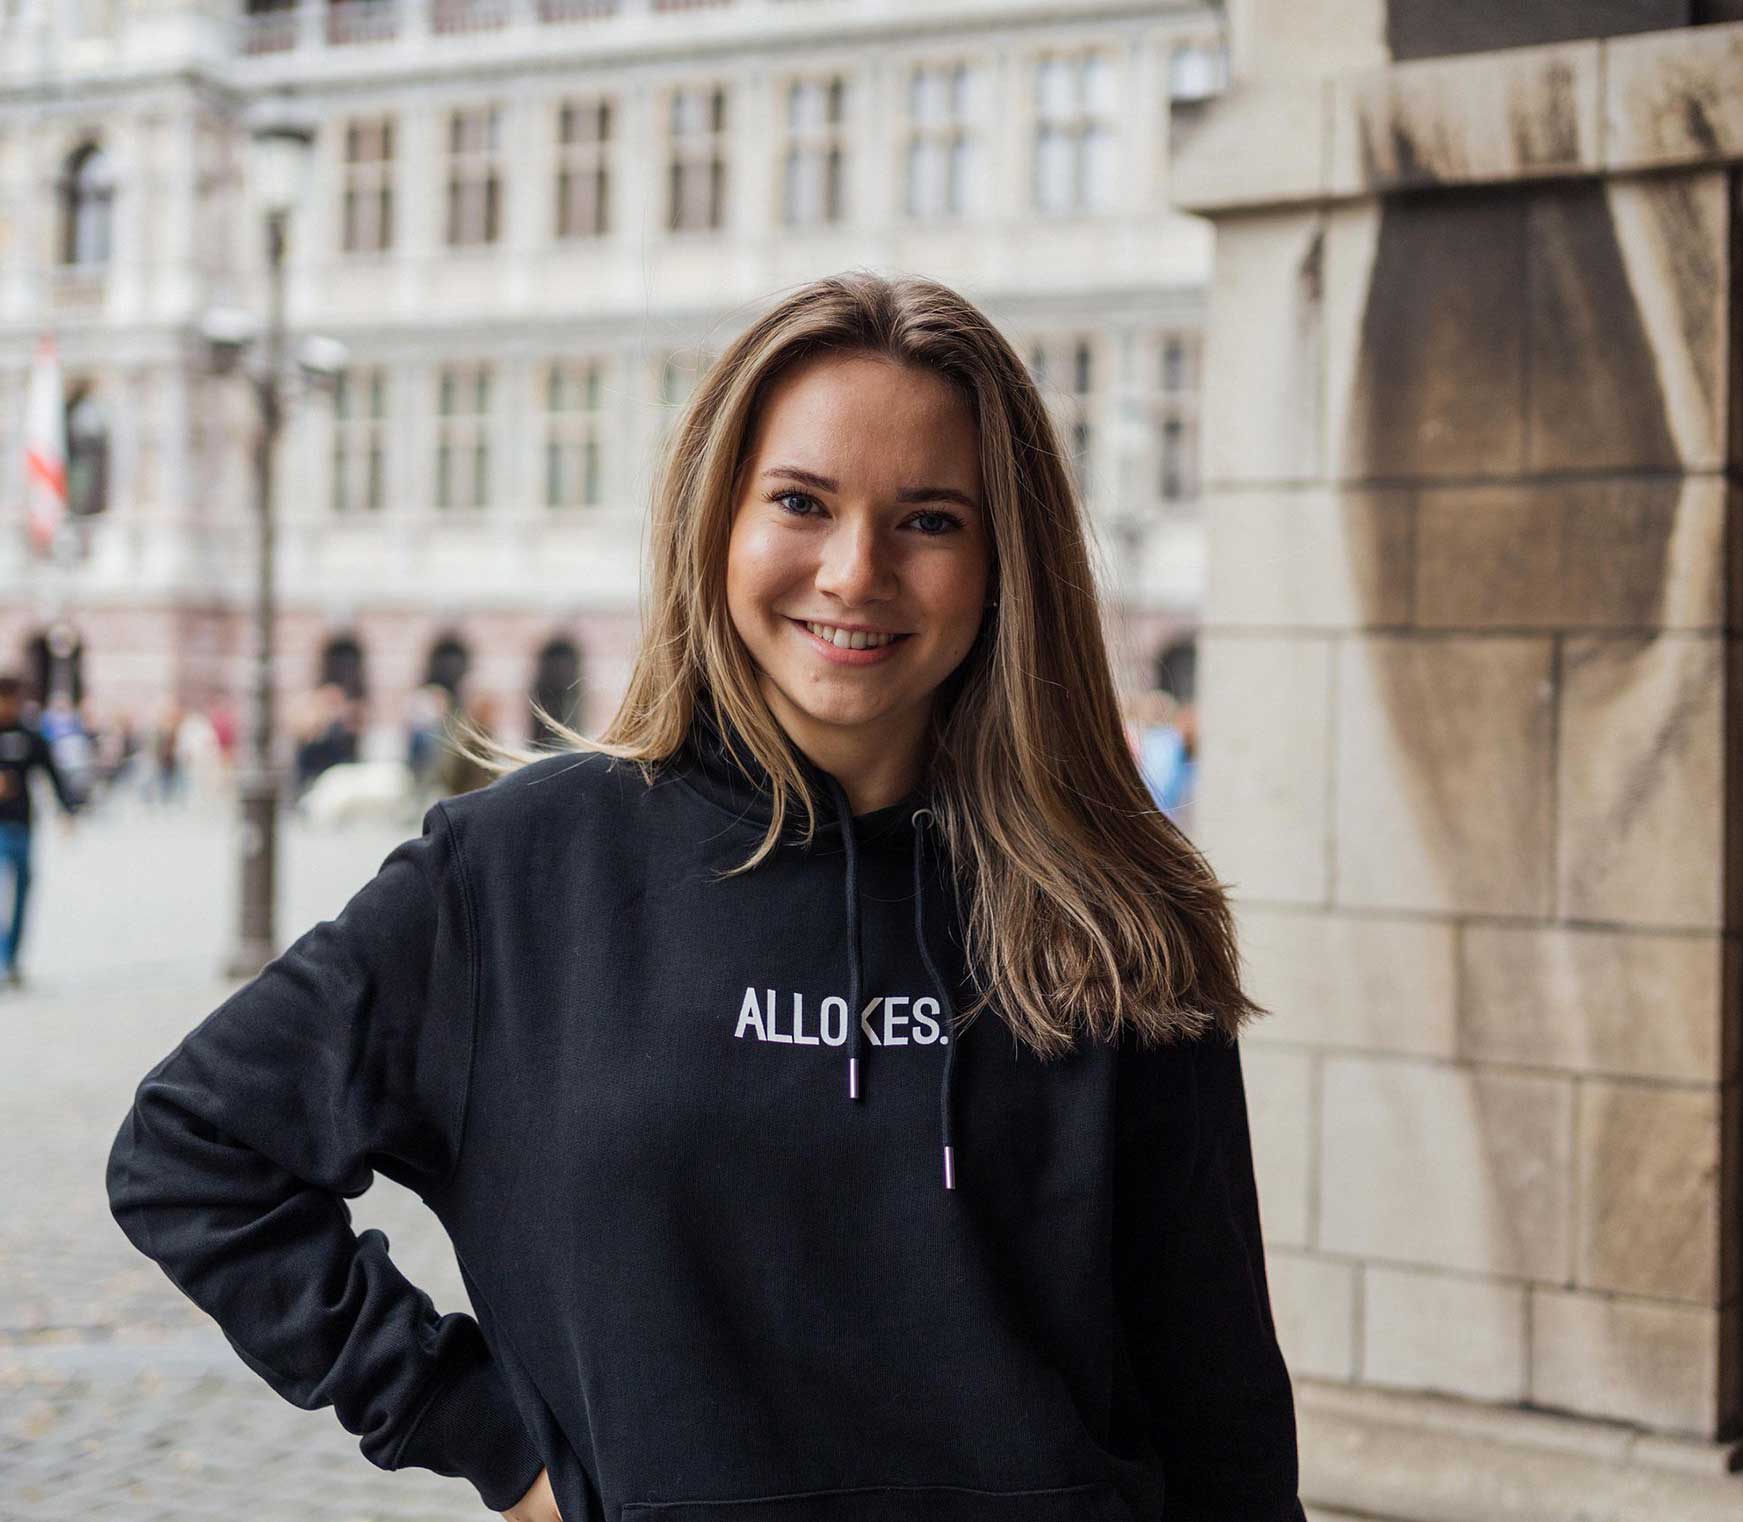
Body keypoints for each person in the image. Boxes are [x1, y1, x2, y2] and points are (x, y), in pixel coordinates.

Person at [104, 272, 1304, 1522]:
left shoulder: (1118, 909)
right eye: (800, 502)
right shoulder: (520, 872)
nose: (854, 571)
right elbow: (191, 1148)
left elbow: (1216, 1395)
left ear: (1007, 560)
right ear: (714, 520)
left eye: (930, 519)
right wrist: (483, 1437)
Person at [0, 673, 81, 989]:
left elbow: (51, 772)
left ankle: (13, 957)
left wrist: (67, 810)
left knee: (22, 892)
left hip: (21, 825)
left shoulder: (30, 735)